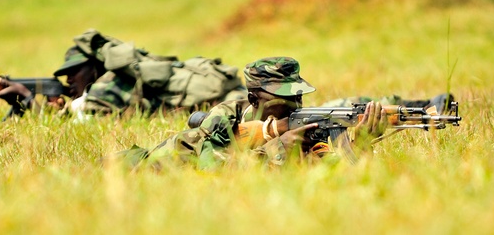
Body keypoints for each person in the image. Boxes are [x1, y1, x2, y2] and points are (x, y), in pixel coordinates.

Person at [113, 56, 454, 170]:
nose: (293, 105)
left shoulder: (301, 122)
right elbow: (215, 170)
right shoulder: (225, 117)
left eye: (296, 96)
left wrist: (360, 141)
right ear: (253, 97)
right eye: (281, 99)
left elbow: (328, 171)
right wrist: (280, 146)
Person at [0, 29, 247, 117]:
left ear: (95, 68)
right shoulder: (117, 79)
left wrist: (26, 98)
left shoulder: (107, 87)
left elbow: (65, 128)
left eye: (75, 72)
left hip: (230, 101)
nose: (69, 80)